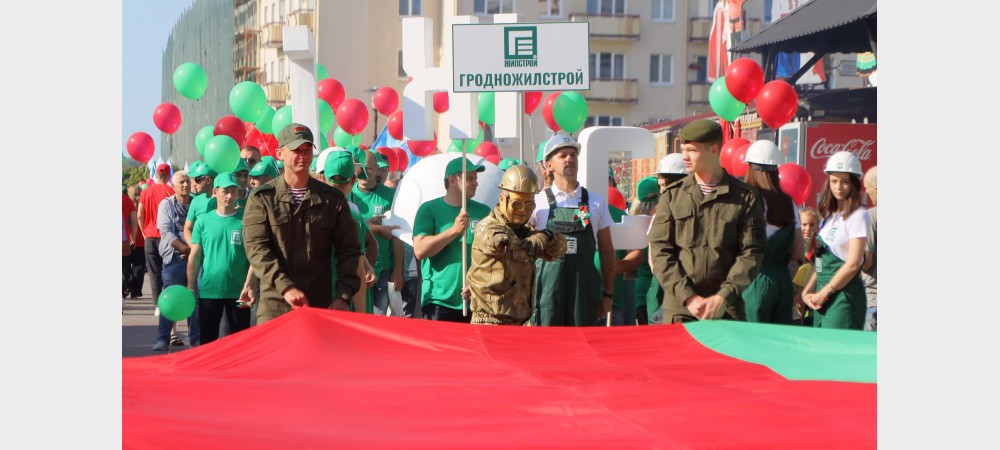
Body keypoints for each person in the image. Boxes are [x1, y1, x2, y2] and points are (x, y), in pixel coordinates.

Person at [648, 119, 767, 323]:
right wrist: (689, 297)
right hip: (680, 310)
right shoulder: (672, 196)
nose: (684, 156)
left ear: (713, 150)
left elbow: (752, 252)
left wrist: (723, 296)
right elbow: (660, 251)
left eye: (692, 150)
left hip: (727, 310)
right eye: (683, 149)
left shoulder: (745, 197)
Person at [242, 123, 362, 324]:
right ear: (280, 153)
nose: (303, 156)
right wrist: (286, 287)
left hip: (319, 306)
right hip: (276, 307)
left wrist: (343, 296)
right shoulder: (262, 198)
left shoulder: (331, 199)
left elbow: (349, 250)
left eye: (307, 150)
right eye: (296, 150)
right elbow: (257, 250)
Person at [529, 134, 616, 326]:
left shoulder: (596, 201)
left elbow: (607, 251)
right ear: (549, 164)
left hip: (583, 291)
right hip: (547, 294)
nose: (569, 159)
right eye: (562, 155)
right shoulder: (537, 203)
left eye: (573, 155)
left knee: (582, 348)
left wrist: (608, 294)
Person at [468, 165, 566, 325]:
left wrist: (546, 235)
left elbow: (559, 248)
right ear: (502, 199)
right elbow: (494, 239)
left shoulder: (527, 230)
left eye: (529, 206)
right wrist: (502, 241)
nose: (522, 211)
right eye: (516, 204)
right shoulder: (487, 226)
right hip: (489, 322)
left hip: (520, 323)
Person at [412, 157, 492, 323]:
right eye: (470, 178)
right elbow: (420, 250)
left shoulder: (484, 212)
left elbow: (493, 256)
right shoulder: (429, 210)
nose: (476, 183)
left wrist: (479, 282)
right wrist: (454, 231)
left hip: (476, 301)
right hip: (438, 300)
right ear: (452, 181)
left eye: (476, 178)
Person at [801, 151, 869, 330]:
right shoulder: (829, 216)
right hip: (823, 295)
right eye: (834, 181)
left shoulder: (859, 216)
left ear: (854, 183)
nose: (839, 187)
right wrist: (807, 290)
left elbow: (853, 264)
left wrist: (824, 293)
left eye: (845, 181)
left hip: (843, 298)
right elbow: (821, 259)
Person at [739, 140, 804, 324]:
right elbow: (798, 251)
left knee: (752, 344)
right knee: (779, 342)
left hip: (754, 279)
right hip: (782, 282)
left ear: (751, 168)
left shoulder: (748, 200)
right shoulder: (789, 203)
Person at [186, 173, 252, 345]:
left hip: (240, 293)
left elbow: (254, 256)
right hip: (210, 291)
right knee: (208, 340)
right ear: (215, 192)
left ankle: (237, 372)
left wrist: (250, 284)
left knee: (241, 341)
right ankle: (209, 372)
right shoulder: (203, 221)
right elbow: (195, 256)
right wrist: (190, 287)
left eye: (233, 191)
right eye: (225, 191)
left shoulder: (245, 220)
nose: (230, 196)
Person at [324, 151, 378, 313]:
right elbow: (358, 266)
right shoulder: (353, 216)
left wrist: (367, 266)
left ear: (322, 178)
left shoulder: (309, 212)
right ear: (354, 180)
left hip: (319, 303)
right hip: (348, 304)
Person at [352, 149, 403, 316]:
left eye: (370, 168)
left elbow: (398, 236)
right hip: (355, 268)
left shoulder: (390, 196)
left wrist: (397, 271)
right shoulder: (348, 194)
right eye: (362, 168)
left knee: (378, 319)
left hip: (383, 270)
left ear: (378, 170)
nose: (365, 172)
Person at [153, 170, 198, 350]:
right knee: (169, 298)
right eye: (181, 182)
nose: (185, 185)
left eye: (187, 181)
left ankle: (195, 339)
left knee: (194, 298)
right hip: (174, 258)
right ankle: (163, 338)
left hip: (195, 257)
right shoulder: (166, 205)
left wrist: (193, 252)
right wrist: (185, 249)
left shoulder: (197, 203)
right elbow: (165, 232)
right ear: (173, 186)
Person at [137, 164, 177, 309]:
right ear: (168, 176)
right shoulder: (171, 191)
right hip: (166, 237)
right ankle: (166, 302)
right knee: (166, 270)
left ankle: (157, 305)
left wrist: (143, 232)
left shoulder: (145, 192)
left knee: (154, 273)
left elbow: (139, 215)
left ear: (156, 175)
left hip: (149, 236)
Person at [861, 165, 877, 331]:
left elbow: (866, 262)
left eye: (867, 189)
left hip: (874, 299)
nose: (867, 193)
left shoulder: (871, 216)